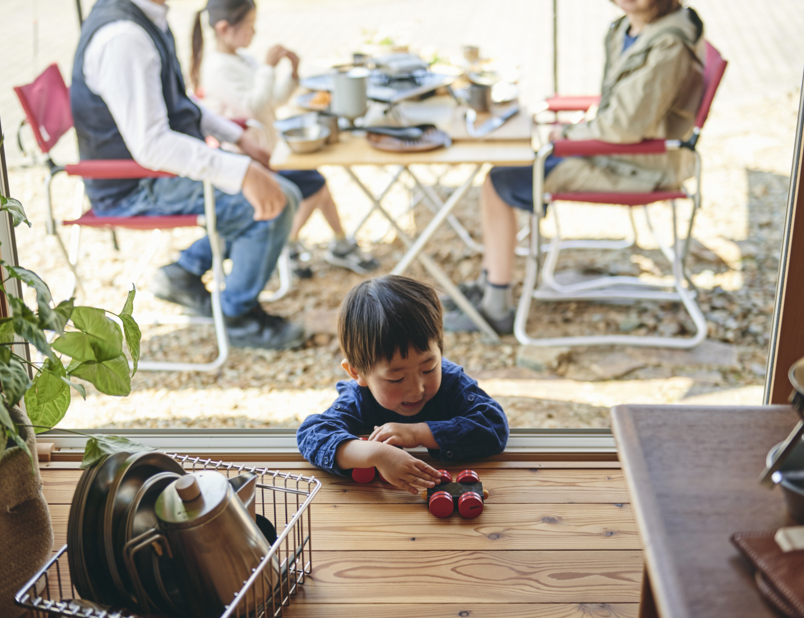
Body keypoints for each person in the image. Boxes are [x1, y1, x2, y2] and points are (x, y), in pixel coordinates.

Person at [443, 0, 706, 334]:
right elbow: (622, 109)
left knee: (498, 183)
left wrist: (570, 133)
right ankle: (487, 283)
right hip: (623, 149)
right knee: (506, 171)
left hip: (640, 164)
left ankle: (495, 306)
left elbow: (626, 126)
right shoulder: (628, 28)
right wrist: (577, 128)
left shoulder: (669, 43)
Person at [70, 0, 306, 350]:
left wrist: (236, 136)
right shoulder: (124, 37)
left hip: (156, 171)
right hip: (136, 184)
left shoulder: (144, 19)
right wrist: (241, 172)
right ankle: (237, 317)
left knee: (284, 194)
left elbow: (179, 103)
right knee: (278, 204)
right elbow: (151, 146)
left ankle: (182, 272)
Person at [190, 0, 379, 280]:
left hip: (269, 151)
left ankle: (339, 242)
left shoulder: (242, 59)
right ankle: (288, 245)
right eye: (249, 26)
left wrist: (291, 73)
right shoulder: (218, 68)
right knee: (315, 183)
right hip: (249, 160)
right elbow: (252, 106)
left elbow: (273, 100)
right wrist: (267, 67)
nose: (253, 33)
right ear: (224, 28)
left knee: (316, 180)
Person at [296, 275, 509, 494]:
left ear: (440, 352)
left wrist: (418, 433)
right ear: (357, 373)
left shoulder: (451, 382)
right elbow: (312, 435)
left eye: (428, 369)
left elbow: (493, 425)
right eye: (396, 378)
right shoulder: (359, 396)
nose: (417, 389)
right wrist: (376, 454)